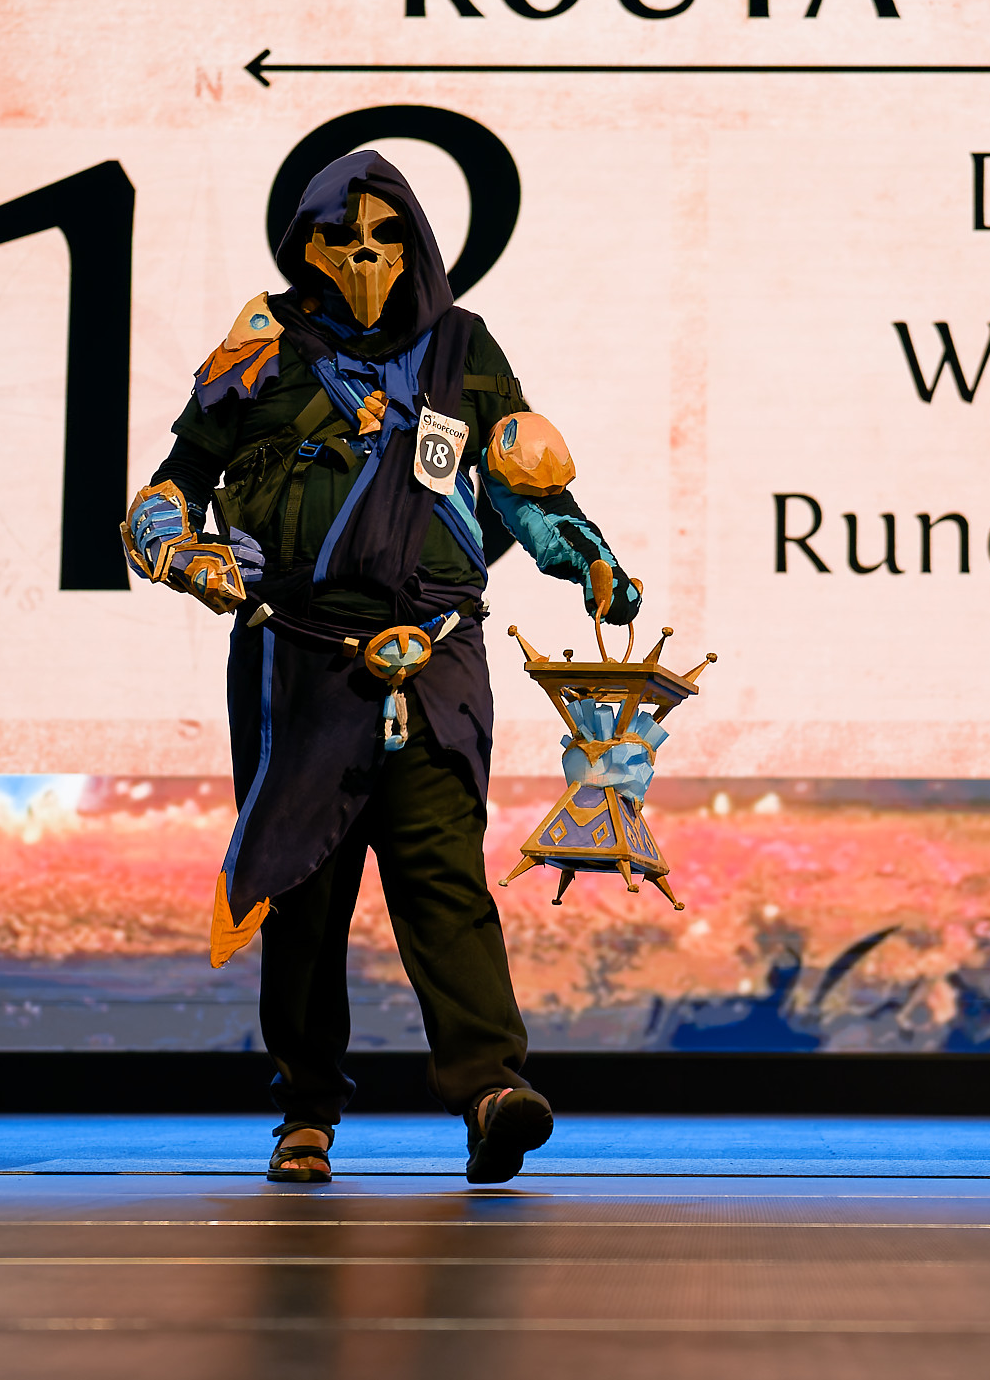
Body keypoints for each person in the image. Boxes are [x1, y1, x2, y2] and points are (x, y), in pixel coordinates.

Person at [123, 150, 642, 1185]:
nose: (364, 258)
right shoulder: (261, 348)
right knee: (300, 884)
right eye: (342, 239)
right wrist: (182, 552)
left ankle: (492, 1090)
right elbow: (174, 484)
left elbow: (521, 484)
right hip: (299, 655)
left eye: (384, 237)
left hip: (437, 654)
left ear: (414, 243)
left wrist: (586, 557)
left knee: (443, 877)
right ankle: (306, 1112)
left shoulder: (461, 348)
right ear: (306, 246)